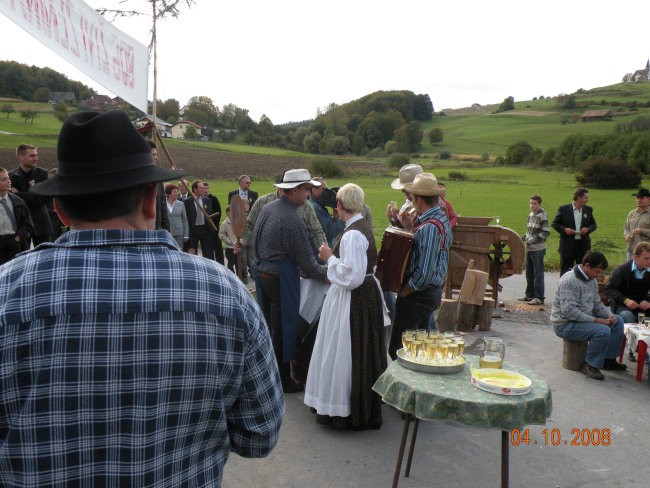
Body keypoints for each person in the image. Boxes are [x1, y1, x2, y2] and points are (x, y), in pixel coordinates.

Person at [0, 110, 283, 486]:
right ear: (152, 203)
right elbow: (259, 435)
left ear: (61, 210)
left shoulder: (6, 292)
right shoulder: (227, 294)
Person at [305, 183, 387, 430]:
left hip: (353, 300)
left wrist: (329, 258)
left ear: (339, 205)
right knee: (357, 350)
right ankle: (357, 406)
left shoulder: (352, 234)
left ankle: (346, 410)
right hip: (362, 297)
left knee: (345, 352)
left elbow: (352, 278)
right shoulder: (360, 227)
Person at [251, 168, 328, 393]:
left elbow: (254, 242)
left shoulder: (268, 208)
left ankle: (268, 374)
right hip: (279, 278)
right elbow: (307, 260)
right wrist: (326, 275)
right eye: (306, 189)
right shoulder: (292, 219)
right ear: (294, 191)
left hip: (262, 274)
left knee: (270, 327)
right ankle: (283, 381)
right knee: (284, 330)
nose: (308, 194)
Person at [388, 173, 452, 359]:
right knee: (420, 351)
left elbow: (424, 272)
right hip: (429, 293)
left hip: (418, 295)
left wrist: (405, 290)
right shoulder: (440, 219)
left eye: (412, 197)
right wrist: (408, 228)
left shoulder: (429, 228)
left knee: (399, 350)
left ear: (418, 199)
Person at [551, 251, 627, 380]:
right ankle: (590, 364)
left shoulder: (591, 280)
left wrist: (609, 315)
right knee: (602, 331)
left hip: (582, 320)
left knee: (618, 320)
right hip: (564, 324)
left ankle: (608, 359)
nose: (598, 275)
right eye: (596, 272)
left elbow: (597, 303)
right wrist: (595, 320)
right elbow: (569, 312)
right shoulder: (568, 281)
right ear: (586, 265)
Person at [241, 172, 326, 253]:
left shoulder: (306, 206)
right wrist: (242, 243)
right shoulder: (263, 202)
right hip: (264, 260)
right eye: (306, 189)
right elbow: (250, 225)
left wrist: (327, 255)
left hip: (293, 260)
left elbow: (316, 231)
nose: (308, 195)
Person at [8, 143, 52, 249]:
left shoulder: (42, 174)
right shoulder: (11, 176)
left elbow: (42, 199)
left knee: (44, 258)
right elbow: (13, 202)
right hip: (21, 226)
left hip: (41, 225)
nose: (36, 158)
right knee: (21, 258)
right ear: (20, 158)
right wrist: (32, 195)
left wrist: (19, 194)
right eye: (32, 156)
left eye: (36, 155)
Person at [551, 188, 597, 276]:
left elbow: (593, 225)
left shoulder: (588, 210)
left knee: (583, 272)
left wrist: (587, 229)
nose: (587, 200)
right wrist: (564, 230)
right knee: (565, 271)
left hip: (583, 246)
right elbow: (554, 224)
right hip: (568, 246)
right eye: (585, 198)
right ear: (579, 198)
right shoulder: (563, 209)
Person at [604, 241, 650, 326]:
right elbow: (609, 289)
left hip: (644, 307)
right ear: (635, 257)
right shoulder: (622, 269)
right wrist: (626, 300)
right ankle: (629, 339)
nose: (649, 261)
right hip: (623, 306)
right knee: (627, 316)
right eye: (646, 258)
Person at [518, 195, 550, 305]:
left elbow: (545, 232)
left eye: (534, 203)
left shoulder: (542, 215)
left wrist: (531, 240)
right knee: (529, 273)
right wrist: (520, 238)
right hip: (530, 248)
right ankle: (529, 295)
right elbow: (529, 232)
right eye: (531, 203)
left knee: (538, 273)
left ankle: (539, 297)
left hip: (538, 249)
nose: (532, 205)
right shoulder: (530, 215)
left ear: (539, 204)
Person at [0, 167, 33, 264]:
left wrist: (19, 237)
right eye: (3, 180)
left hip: (14, 244)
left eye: (8, 178)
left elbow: (28, 223)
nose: (8, 181)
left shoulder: (18, 201)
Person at [184, 179, 215, 260]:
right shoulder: (187, 202)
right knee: (192, 252)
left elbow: (210, 215)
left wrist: (211, 228)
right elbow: (186, 218)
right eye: (201, 188)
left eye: (204, 188)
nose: (203, 190)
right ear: (195, 189)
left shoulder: (207, 201)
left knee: (208, 253)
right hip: (193, 230)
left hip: (205, 229)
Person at [310, 176, 345, 247]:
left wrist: (335, 219)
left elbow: (325, 226)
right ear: (313, 190)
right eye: (323, 189)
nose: (326, 192)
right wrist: (344, 219)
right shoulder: (315, 208)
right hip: (321, 252)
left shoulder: (318, 205)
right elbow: (329, 233)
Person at [147, 139, 171, 232]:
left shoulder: (158, 179)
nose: (157, 158)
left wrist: (167, 232)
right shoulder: (135, 181)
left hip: (157, 229)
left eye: (156, 154)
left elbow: (163, 206)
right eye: (154, 155)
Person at [624, 188, 650, 260]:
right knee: (630, 271)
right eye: (637, 198)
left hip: (647, 253)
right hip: (631, 251)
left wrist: (642, 231)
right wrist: (627, 235)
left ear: (649, 199)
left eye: (642, 198)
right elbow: (626, 228)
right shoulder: (631, 213)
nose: (639, 200)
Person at [203, 181, 225, 265]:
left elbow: (218, 212)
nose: (206, 190)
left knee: (218, 248)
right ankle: (210, 264)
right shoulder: (200, 200)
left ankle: (221, 264)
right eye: (204, 188)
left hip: (214, 227)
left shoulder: (214, 199)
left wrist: (214, 224)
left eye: (207, 188)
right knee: (208, 248)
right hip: (205, 228)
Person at [164, 183, 189, 249]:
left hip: (179, 233)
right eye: (174, 192)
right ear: (169, 193)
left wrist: (186, 235)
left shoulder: (181, 204)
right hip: (166, 232)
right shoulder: (163, 204)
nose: (177, 193)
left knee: (179, 250)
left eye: (177, 192)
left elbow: (184, 220)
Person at [219, 204, 239, 274]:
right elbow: (221, 235)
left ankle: (239, 277)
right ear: (228, 212)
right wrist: (229, 241)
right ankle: (231, 276)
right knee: (231, 263)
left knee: (238, 263)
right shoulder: (225, 223)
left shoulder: (237, 221)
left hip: (238, 247)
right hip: (230, 248)